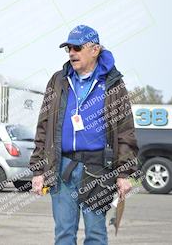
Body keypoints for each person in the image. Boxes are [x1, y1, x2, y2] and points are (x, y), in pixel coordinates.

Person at [29, 25, 138, 245]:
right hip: (62, 167)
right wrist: (38, 169)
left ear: (95, 49)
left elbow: (125, 130)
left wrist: (123, 173)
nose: (71, 52)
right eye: (68, 48)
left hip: (98, 170)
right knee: (63, 234)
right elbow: (44, 126)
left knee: (96, 235)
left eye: (77, 47)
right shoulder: (57, 80)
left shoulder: (113, 83)